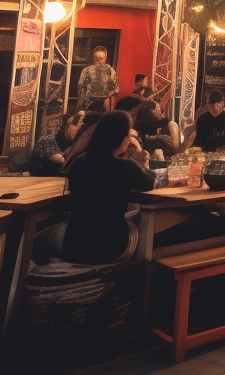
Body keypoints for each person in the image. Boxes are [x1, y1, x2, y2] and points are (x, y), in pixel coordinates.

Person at [63, 111, 156, 265]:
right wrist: (139, 158)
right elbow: (149, 183)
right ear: (120, 137)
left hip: (73, 246)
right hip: (109, 247)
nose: (129, 139)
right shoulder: (126, 166)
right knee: (141, 223)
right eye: (127, 134)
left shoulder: (78, 163)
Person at [29, 109, 83, 176]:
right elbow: (65, 162)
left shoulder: (80, 143)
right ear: (66, 124)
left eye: (82, 124)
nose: (79, 127)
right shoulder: (46, 141)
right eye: (75, 123)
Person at [77, 45, 119, 111]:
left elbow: (116, 88)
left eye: (101, 58)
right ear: (93, 58)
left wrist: (111, 95)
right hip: (89, 102)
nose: (98, 60)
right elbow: (80, 87)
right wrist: (81, 106)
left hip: (104, 102)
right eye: (96, 58)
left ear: (105, 58)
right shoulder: (87, 70)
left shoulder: (110, 71)